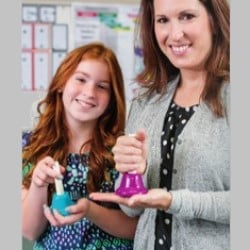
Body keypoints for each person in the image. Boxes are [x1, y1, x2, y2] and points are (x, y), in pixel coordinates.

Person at [90, 0, 230, 249]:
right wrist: (135, 172)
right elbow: (130, 208)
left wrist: (172, 201)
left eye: (187, 16)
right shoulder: (146, 102)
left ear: (214, 21)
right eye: (163, 20)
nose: (175, 34)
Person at [22, 42, 138, 250]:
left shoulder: (122, 152)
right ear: (61, 83)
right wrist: (38, 185)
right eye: (81, 79)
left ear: (112, 99)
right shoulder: (31, 147)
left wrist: (90, 211)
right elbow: (30, 231)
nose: (89, 92)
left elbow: (135, 227)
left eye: (102, 86)